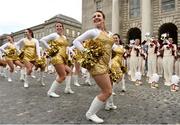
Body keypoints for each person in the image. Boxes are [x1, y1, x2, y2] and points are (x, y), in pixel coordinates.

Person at [72, 10, 114, 123]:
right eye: (94, 16)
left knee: (109, 88)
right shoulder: (93, 32)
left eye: (98, 16)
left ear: (103, 18)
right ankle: (90, 114)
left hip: (106, 64)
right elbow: (76, 41)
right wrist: (86, 52)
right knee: (107, 91)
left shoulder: (110, 34)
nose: (96, 17)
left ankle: (109, 105)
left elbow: (110, 50)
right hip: (97, 64)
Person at [40, 21, 74, 97]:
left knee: (69, 71)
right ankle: (50, 92)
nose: (59, 27)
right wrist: (50, 49)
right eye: (57, 26)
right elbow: (42, 40)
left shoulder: (64, 37)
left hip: (63, 57)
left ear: (63, 28)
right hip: (57, 57)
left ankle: (67, 88)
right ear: (55, 28)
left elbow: (65, 46)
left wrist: (71, 51)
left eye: (60, 26)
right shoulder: (54, 35)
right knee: (62, 76)